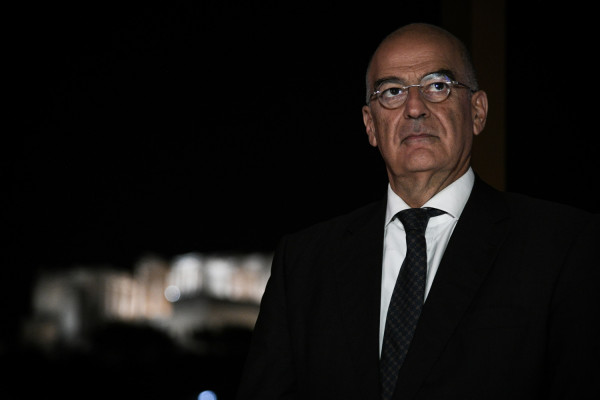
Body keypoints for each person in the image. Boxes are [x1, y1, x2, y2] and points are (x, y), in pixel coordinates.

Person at [234, 22, 599, 399]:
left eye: (437, 86)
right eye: (392, 92)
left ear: (477, 111)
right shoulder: (305, 262)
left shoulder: (562, 246)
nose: (414, 108)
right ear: (370, 125)